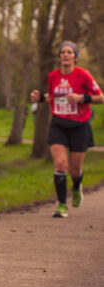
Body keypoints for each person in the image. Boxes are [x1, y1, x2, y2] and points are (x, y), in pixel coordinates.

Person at [29, 41, 102, 218]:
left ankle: (77, 187)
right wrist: (39, 98)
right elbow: (52, 97)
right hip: (59, 124)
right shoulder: (53, 76)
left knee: (75, 171)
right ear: (60, 56)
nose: (66, 55)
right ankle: (62, 205)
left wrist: (81, 98)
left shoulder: (83, 75)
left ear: (75, 57)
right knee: (61, 164)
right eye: (63, 52)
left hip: (80, 126)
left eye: (70, 52)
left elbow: (100, 97)